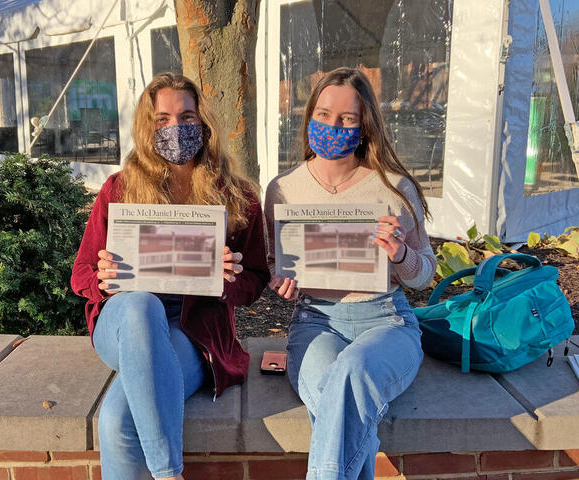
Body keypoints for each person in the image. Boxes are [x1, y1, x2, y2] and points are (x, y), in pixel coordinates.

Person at [71, 73, 269, 480]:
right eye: (162, 119)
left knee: (116, 420)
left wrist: (228, 278)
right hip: (125, 322)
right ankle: (169, 474)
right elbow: (81, 273)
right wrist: (102, 278)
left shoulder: (238, 196)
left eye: (187, 117)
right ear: (148, 127)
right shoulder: (120, 189)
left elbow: (256, 277)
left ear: (204, 123)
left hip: (192, 328)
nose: (175, 128)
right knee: (140, 303)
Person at [264, 67, 436, 480]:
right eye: (323, 115)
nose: (332, 126)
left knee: (352, 372)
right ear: (308, 118)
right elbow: (273, 261)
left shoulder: (393, 188)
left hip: (387, 321)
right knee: (335, 396)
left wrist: (400, 255)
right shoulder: (282, 189)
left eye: (347, 119)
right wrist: (279, 280)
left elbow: (424, 275)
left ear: (364, 127)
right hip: (316, 322)